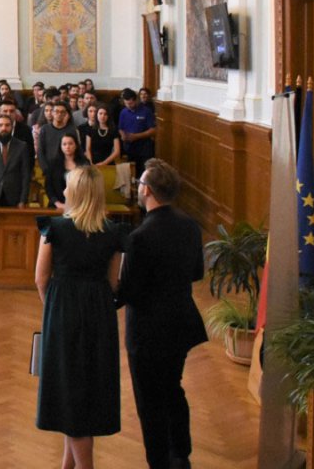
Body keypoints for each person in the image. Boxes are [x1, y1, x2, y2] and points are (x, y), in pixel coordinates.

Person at [35, 165, 125, 469]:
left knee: (68, 391)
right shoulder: (113, 233)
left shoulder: (55, 229)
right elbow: (114, 283)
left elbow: (40, 278)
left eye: (67, 187)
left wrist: (53, 308)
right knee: (84, 392)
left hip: (63, 310)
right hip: (100, 313)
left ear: (75, 193)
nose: (62, 192)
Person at [119, 159, 207, 469]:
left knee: (149, 402)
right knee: (172, 388)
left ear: (148, 191)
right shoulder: (190, 226)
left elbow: (127, 290)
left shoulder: (140, 236)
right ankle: (180, 455)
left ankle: (158, 462)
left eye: (141, 183)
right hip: (181, 324)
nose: (138, 188)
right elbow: (196, 273)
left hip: (146, 332)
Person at [44, 133, 90, 209]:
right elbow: (48, 186)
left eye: (70, 144)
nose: (67, 147)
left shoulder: (84, 163)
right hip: (57, 205)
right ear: (60, 147)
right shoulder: (53, 164)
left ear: (76, 145)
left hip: (80, 206)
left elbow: (89, 186)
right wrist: (58, 204)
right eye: (64, 144)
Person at [119, 89, 157, 176]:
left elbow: (153, 130)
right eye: (126, 104)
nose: (128, 106)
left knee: (144, 172)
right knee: (131, 172)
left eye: (130, 103)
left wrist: (137, 136)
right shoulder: (123, 112)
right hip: (130, 147)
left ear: (135, 100)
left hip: (144, 147)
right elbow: (120, 128)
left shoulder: (146, 111)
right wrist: (122, 135)